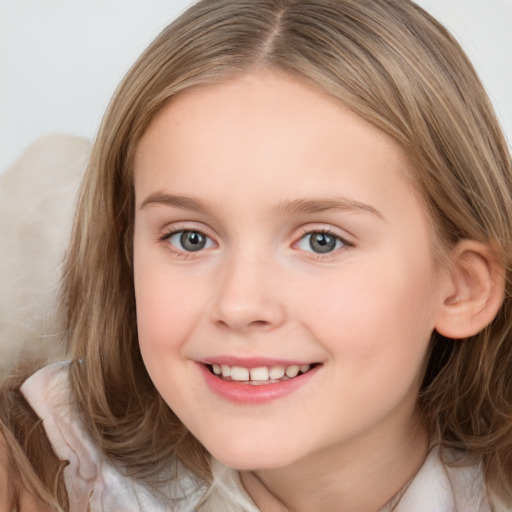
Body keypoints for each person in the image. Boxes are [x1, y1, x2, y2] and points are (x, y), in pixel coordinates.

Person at [1, 0, 512, 510]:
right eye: (190, 238)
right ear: (127, 253)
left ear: (460, 287)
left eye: (321, 241)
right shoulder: (41, 473)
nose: (240, 304)